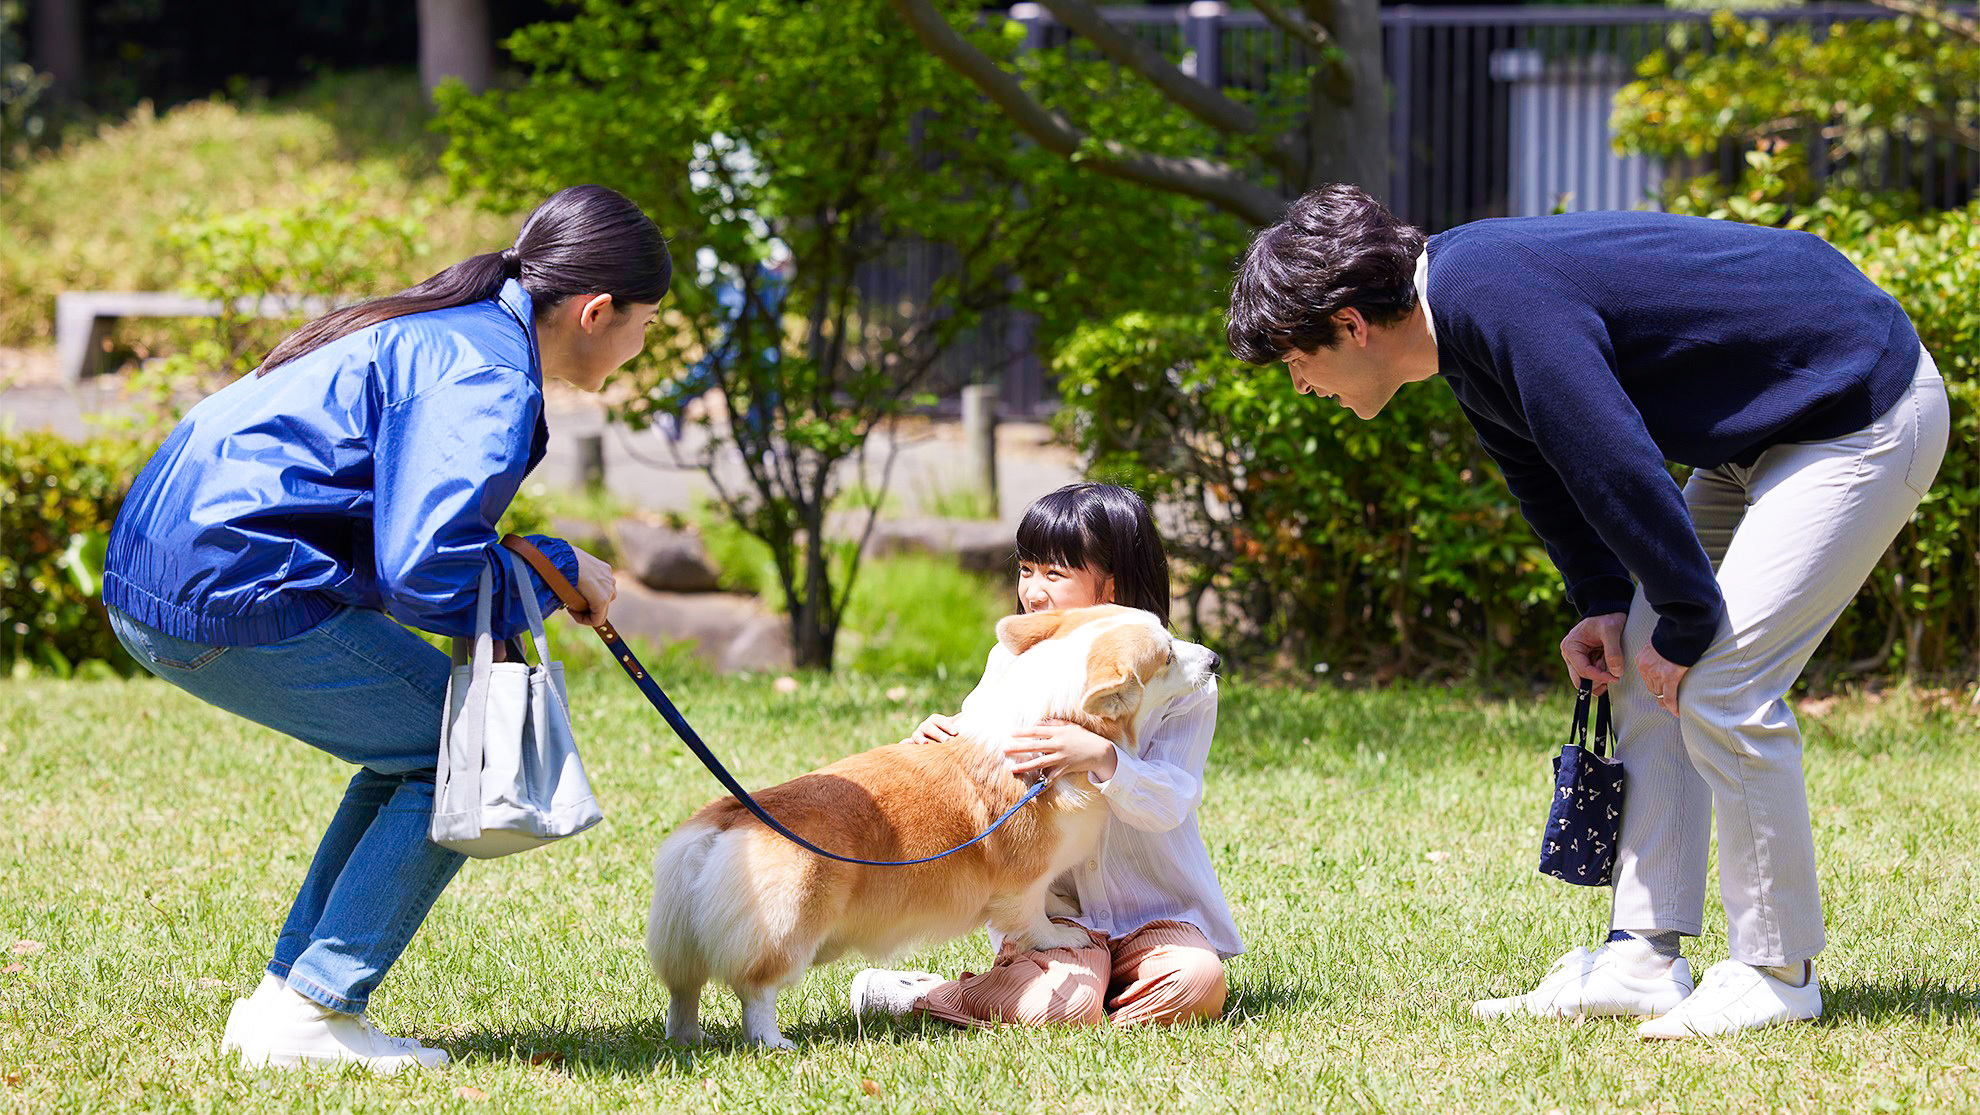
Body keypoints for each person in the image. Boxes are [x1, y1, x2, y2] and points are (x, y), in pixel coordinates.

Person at [1225, 184, 1948, 1039]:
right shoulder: (1456, 318)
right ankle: (1643, 957)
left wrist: (1683, 621)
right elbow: (1542, 473)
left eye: (1294, 360)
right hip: (1757, 435)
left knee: (1720, 680)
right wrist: (1608, 602)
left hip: (1857, 406)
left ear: (1350, 323)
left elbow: (1617, 463)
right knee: (1643, 660)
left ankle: (1778, 969)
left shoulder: (1490, 296)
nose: (1299, 383)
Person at [101, 184, 671, 1072]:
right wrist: (558, 569)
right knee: (460, 754)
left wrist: (537, 568)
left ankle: (283, 1004)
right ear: (597, 310)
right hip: (226, 588)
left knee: (416, 747)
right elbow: (426, 566)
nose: (645, 345)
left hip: (159, 577)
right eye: (647, 323)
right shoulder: (486, 371)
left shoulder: (459, 326)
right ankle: (312, 1013)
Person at [848, 482, 1241, 1028]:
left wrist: (1103, 757)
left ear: (1113, 587)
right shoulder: (1017, 662)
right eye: (1026, 570)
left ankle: (1076, 1000)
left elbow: (1171, 800)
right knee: (1064, 1004)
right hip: (1053, 914)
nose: (1033, 591)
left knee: (1197, 984)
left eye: (1055, 575)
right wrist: (942, 737)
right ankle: (925, 996)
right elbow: (986, 762)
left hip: (1149, 913)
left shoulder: (1183, 680)